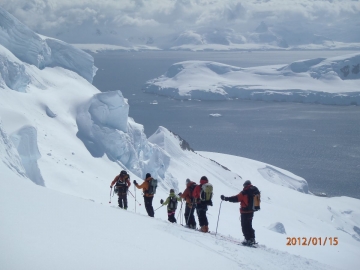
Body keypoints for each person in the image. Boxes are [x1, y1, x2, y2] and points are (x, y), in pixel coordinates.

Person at [221, 180, 260, 246]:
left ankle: (248, 240)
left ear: (245, 185)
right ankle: (252, 239)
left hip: (245, 212)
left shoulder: (244, 192)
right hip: (251, 211)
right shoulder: (254, 191)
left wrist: (226, 198)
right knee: (249, 225)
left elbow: (236, 198)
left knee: (244, 226)